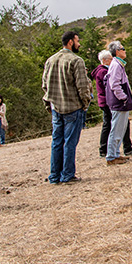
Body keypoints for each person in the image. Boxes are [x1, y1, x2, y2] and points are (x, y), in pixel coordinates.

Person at [42, 31, 91, 184]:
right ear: (71, 42)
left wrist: (50, 103)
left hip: (56, 107)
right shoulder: (76, 60)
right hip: (72, 107)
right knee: (69, 142)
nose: (79, 44)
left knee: (57, 142)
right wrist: (85, 103)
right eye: (77, 41)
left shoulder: (50, 60)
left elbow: (45, 85)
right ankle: (68, 175)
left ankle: (54, 176)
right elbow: (83, 87)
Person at [91, 50, 132, 160]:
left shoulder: (105, 70)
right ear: (104, 60)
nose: (112, 61)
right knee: (114, 125)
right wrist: (123, 97)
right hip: (108, 101)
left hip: (107, 100)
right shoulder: (103, 71)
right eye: (110, 59)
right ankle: (114, 150)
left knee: (112, 125)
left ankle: (110, 149)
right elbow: (112, 86)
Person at [105, 41, 132, 165]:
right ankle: (111, 156)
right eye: (123, 49)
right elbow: (114, 84)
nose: (125, 51)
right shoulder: (116, 65)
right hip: (119, 103)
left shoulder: (117, 64)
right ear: (117, 51)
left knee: (120, 128)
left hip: (119, 102)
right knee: (116, 128)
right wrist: (123, 98)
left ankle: (116, 154)